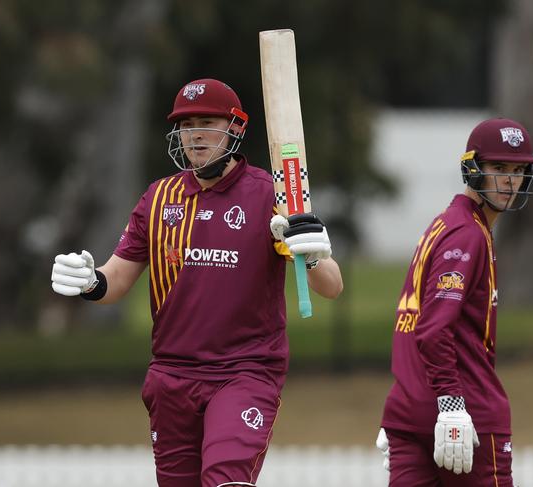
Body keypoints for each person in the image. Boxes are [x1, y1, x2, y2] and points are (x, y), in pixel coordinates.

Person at [51, 78, 343, 487]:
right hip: (171, 374)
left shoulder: (269, 196)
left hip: (244, 371)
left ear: (234, 128)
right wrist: (89, 281)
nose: (196, 134)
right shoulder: (159, 198)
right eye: (186, 125)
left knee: (226, 480)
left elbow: (331, 286)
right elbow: (115, 279)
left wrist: (313, 255)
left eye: (207, 122)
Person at [375, 117, 533, 486]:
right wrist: (450, 406)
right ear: (472, 168)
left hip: (410, 414)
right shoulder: (467, 233)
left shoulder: (446, 224)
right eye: (498, 168)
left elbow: (411, 319)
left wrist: (408, 403)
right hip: (466, 414)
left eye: (518, 170)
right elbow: (432, 329)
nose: (509, 180)